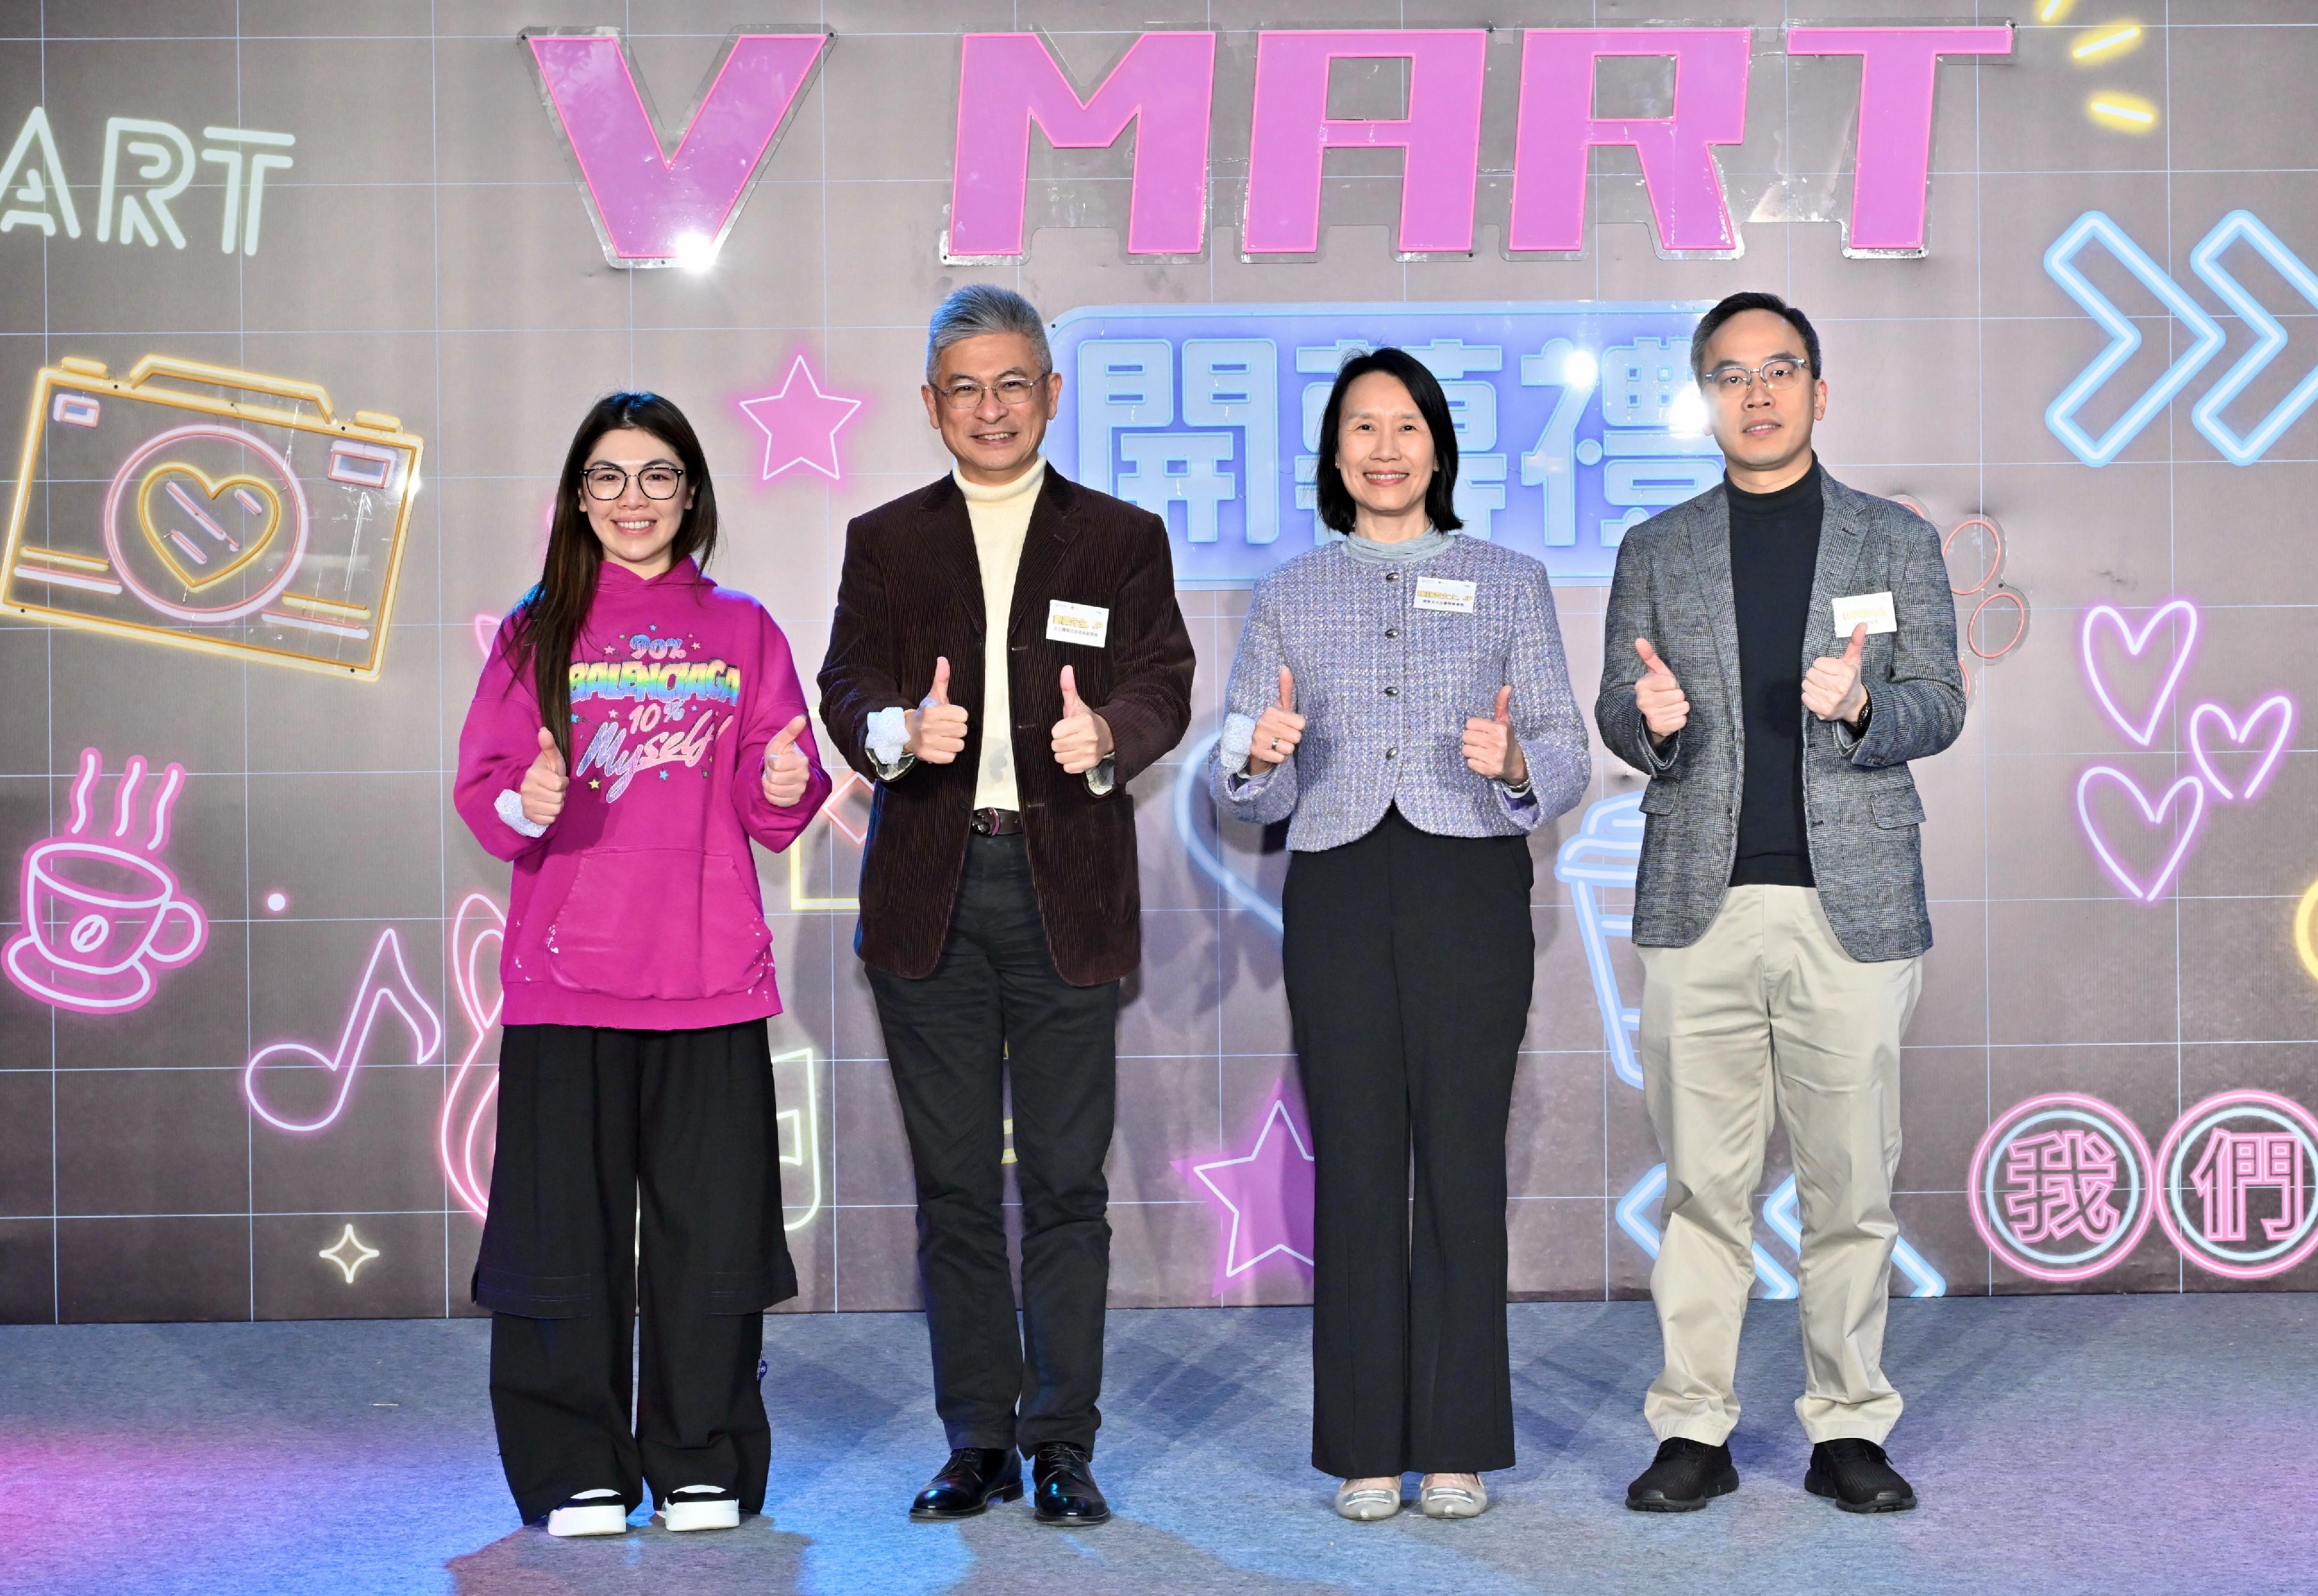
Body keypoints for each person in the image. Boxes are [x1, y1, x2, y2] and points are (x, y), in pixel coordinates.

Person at [816, 284, 1194, 1527]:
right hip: (930, 891)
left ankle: (1062, 1440)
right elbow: (844, 684)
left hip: (1064, 889)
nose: (991, 408)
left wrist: (1110, 734)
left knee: (1070, 1186)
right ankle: (976, 1436)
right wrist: (894, 730)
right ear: (932, 406)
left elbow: (1164, 679)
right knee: (956, 1186)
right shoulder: (885, 540)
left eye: (1012, 383)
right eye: (965, 389)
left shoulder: (1120, 537)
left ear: (1051, 394)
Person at [1595, 291, 1965, 1515]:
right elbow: (1617, 706)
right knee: (1702, 1186)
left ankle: (1847, 1426)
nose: (1756, 393)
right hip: (1697, 904)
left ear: (1818, 389)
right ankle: (1691, 1427)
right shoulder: (1656, 548)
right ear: (1704, 397)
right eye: (1730, 374)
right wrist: (1645, 725)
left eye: (1778, 369)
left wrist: (1863, 709)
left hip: (1850, 908)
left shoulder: (1890, 540)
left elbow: (1939, 702)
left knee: (1849, 1186)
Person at [1213, 348, 1590, 1522]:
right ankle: (1365, 1444)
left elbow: (1566, 752)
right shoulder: (1290, 592)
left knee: (1463, 1162)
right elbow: (1241, 779)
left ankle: (1458, 1442)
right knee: (1359, 1160)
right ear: (1335, 456)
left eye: (1406, 426)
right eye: (1362, 428)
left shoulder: (1509, 581)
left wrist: (1517, 762)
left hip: (1466, 881)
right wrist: (1259, 756)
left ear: (1438, 447)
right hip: (1337, 882)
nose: (1385, 449)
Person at [454, 391, 832, 1537]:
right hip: (567, 981)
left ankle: (699, 1454)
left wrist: (784, 784)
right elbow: (486, 792)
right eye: (609, 477)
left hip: (708, 979)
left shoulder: (743, 628)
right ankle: (574, 1465)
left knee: (708, 1241)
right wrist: (527, 797)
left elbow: (778, 788)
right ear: (579, 498)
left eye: (658, 475)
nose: (634, 499)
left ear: (691, 493)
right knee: (560, 1239)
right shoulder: (535, 631)